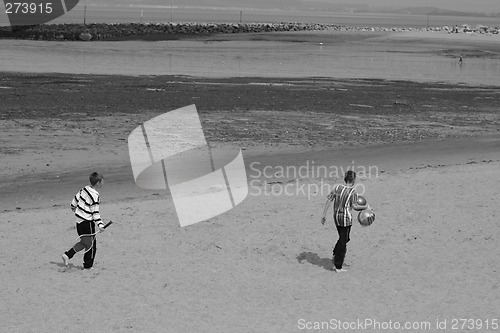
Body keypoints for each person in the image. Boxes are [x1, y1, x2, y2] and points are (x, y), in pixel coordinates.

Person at [320, 170, 368, 272]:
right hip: (346, 220)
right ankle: (338, 266)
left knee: (345, 238)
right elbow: (355, 206)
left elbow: (329, 199)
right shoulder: (353, 192)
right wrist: (365, 207)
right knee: (343, 241)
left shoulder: (337, 188)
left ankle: (335, 254)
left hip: (336, 218)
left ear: (345, 179)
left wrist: (324, 214)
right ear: (354, 180)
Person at [62, 172, 106, 270]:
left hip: (79, 222)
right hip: (87, 223)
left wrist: (73, 207)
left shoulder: (84, 189)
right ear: (98, 183)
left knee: (85, 242)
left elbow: (75, 199)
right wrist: (100, 224)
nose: (103, 183)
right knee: (91, 246)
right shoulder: (95, 195)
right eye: (102, 181)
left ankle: (67, 255)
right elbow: (95, 212)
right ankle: (88, 266)